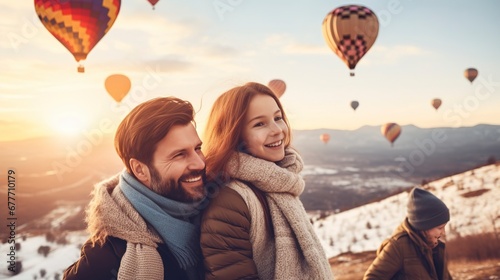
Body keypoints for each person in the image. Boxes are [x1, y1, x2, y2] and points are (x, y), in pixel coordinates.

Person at [63, 97, 207, 280]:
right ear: (140, 170)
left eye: (198, 148)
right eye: (179, 155)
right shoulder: (108, 256)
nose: (199, 163)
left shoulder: (220, 206)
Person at [200, 82, 333, 279]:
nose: (277, 129)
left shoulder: (277, 184)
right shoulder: (229, 200)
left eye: (278, 118)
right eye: (259, 124)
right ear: (234, 136)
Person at [363, 187, 453, 280]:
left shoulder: (436, 247)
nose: (443, 232)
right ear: (424, 226)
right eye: (440, 228)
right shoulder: (398, 246)